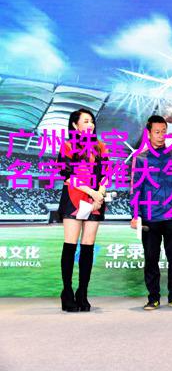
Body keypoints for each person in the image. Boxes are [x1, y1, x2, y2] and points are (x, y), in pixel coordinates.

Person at [130, 115, 172, 310]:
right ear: (148, 134)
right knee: (151, 259)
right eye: (157, 132)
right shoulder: (141, 159)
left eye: (164, 131)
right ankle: (153, 298)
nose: (161, 135)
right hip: (150, 216)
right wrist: (135, 215)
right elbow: (136, 188)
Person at [58, 108, 108, 312]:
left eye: (92, 121)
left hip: (95, 200)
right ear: (75, 125)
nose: (90, 125)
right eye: (86, 121)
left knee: (88, 246)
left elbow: (105, 174)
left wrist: (100, 194)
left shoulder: (100, 146)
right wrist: (92, 192)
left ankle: (83, 292)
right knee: (70, 245)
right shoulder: (68, 146)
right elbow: (67, 175)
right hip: (74, 198)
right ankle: (67, 292)